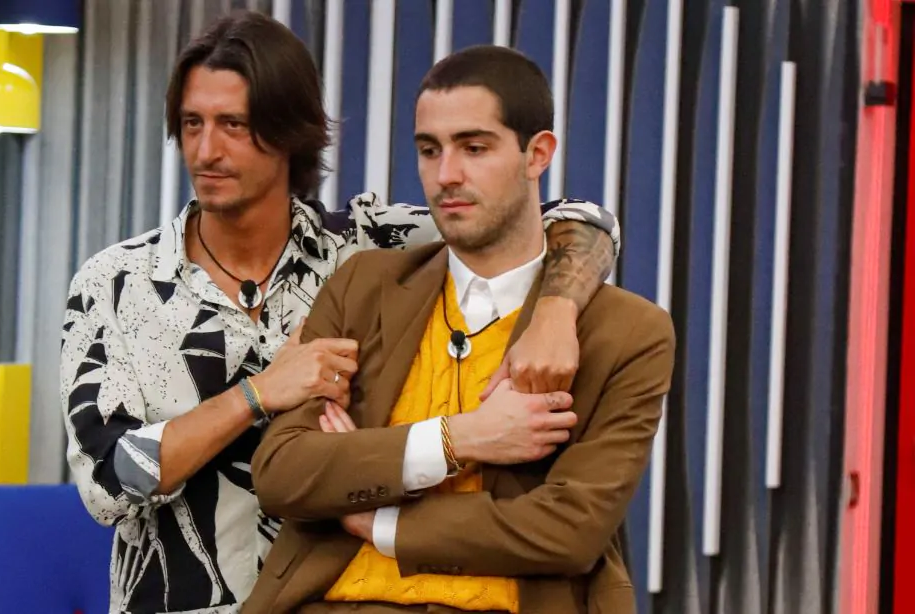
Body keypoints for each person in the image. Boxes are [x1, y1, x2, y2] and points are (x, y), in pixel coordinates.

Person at [60, 12, 621, 614]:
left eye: (234, 125)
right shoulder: (117, 281)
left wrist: (556, 310)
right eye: (192, 123)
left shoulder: (367, 247)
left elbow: (575, 219)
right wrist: (257, 394)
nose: (206, 150)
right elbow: (106, 484)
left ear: (289, 130)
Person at [244, 45, 674, 614]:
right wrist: (457, 440)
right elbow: (283, 474)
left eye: (475, 148)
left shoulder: (629, 332)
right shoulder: (364, 285)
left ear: (537, 154)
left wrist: (379, 520)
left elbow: (570, 530)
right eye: (430, 150)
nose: (446, 175)